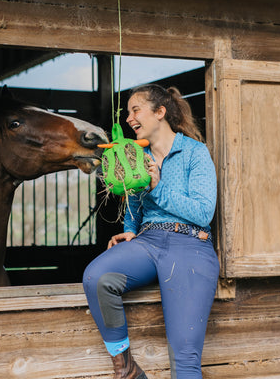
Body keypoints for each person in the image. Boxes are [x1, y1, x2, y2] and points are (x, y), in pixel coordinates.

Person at [83, 84, 219, 379]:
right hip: (149, 241)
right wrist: (129, 230)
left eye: (136, 110)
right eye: (128, 112)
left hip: (191, 244)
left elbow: (203, 212)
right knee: (97, 278)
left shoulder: (194, 152)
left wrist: (158, 187)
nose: (129, 118)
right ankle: (126, 368)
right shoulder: (135, 155)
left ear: (160, 113)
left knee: (185, 359)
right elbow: (132, 202)